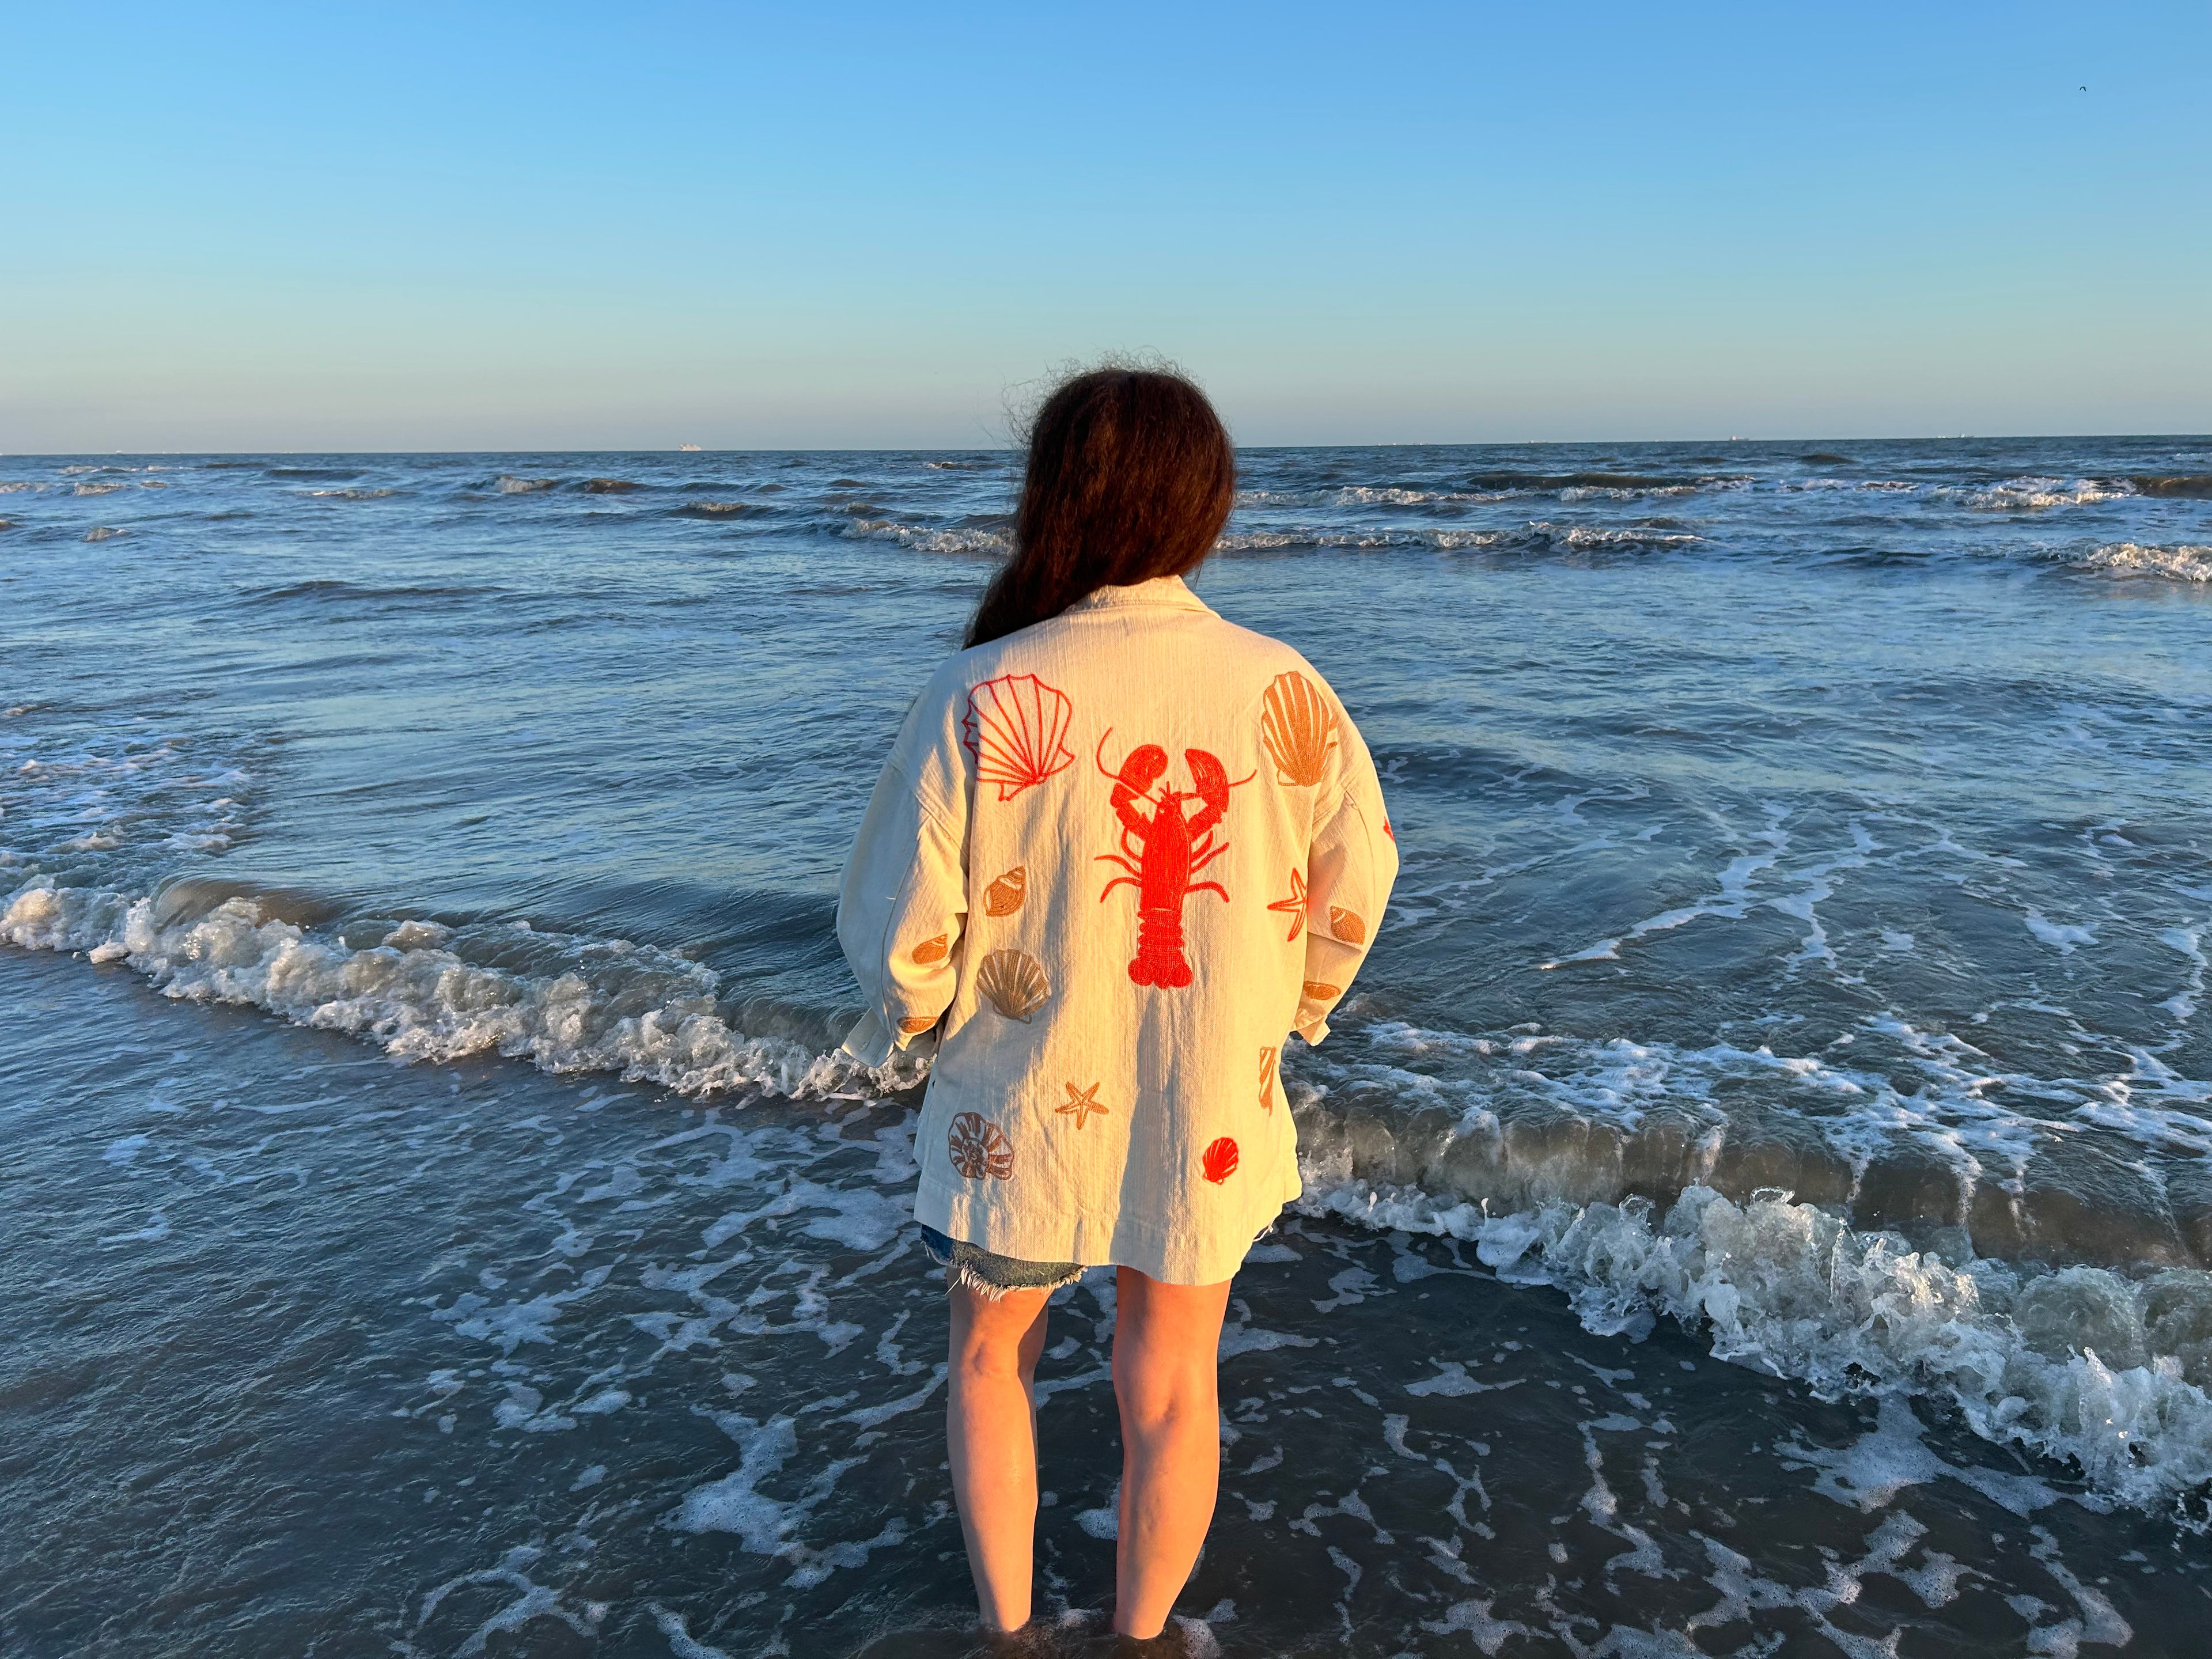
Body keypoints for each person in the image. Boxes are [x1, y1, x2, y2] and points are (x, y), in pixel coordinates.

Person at [836, 366, 1396, 1641]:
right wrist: (1293, 1007)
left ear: (1052, 498)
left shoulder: (977, 688)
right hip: (1213, 1087)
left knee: (990, 1357)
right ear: (1208, 505)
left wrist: (919, 1023)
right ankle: (1141, 1638)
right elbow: (1358, 877)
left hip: (1016, 1096)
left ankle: (1009, 1627)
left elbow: (904, 922)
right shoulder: (1284, 687)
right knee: (1174, 1379)